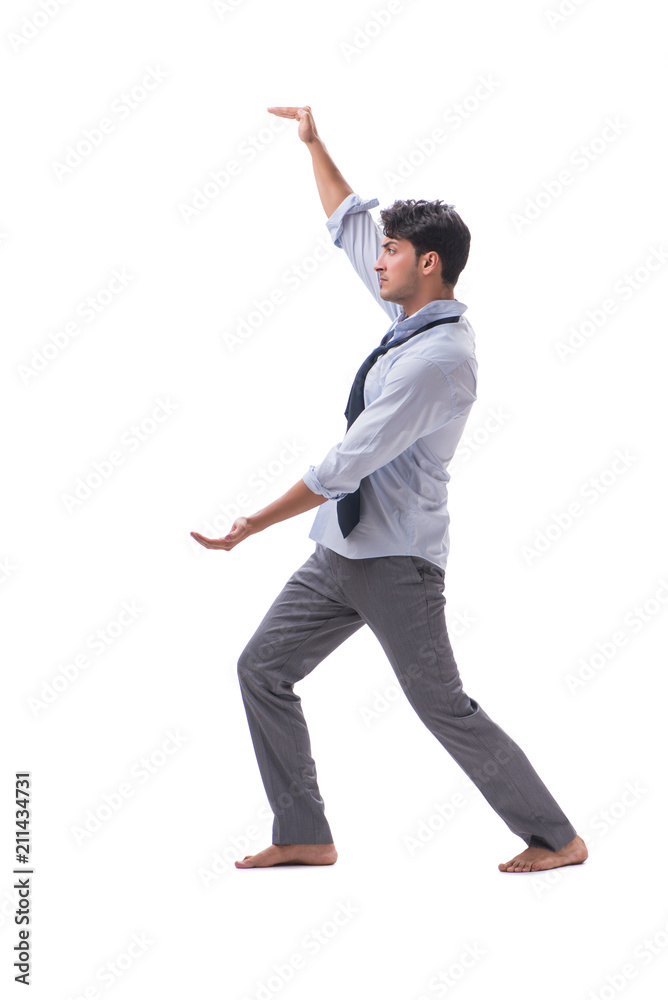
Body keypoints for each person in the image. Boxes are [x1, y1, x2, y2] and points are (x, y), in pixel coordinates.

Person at [191, 106, 588, 874]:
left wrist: (251, 524)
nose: (380, 261)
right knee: (261, 668)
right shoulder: (413, 317)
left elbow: (344, 465)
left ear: (428, 264)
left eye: (394, 252)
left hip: (397, 564)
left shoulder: (437, 360)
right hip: (340, 550)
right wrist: (314, 143)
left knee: (443, 708)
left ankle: (555, 837)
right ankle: (304, 832)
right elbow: (350, 225)